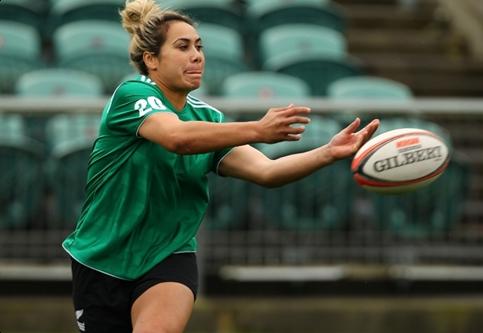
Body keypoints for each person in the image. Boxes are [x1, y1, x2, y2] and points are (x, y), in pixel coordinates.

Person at [62, 0, 380, 332]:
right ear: (151, 60)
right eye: (182, 47)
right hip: (102, 259)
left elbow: (266, 171)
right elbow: (177, 138)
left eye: (199, 47)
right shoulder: (131, 95)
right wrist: (258, 129)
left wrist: (328, 152)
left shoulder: (208, 119)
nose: (196, 55)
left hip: (169, 253)